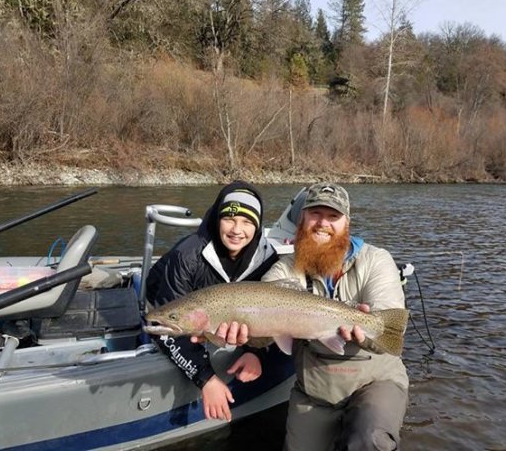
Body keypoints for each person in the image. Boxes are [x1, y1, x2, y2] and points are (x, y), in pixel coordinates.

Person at [261, 182, 409, 451]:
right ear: (301, 219)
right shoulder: (284, 269)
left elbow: (391, 330)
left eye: (333, 217)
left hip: (374, 383)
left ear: (347, 223)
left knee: (368, 439)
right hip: (314, 392)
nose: (322, 224)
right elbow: (261, 327)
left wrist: (365, 331)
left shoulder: (376, 260)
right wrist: (247, 339)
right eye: (315, 214)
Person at [145, 180, 278, 422]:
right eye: (229, 219)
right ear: (217, 219)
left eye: (247, 222)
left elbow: (272, 315)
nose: (237, 230)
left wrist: (255, 352)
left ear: (258, 227)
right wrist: (206, 379)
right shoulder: (186, 255)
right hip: (165, 306)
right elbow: (163, 328)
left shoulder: (268, 260)